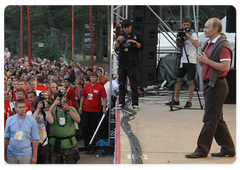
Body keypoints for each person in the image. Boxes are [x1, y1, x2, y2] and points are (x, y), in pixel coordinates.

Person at [185, 18, 235, 158]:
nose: (204, 30)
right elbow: (206, 65)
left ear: (216, 29)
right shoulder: (208, 43)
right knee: (216, 119)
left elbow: (226, 67)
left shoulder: (223, 46)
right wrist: (203, 61)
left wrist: (206, 60)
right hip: (210, 84)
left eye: (207, 27)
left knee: (210, 118)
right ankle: (228, 148)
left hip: (217, 85)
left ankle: (202, 149)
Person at [166, 17, 199, 108]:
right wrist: (178, 41)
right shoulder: (181, 33)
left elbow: (196, 45)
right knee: (178, 79)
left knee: (190, 81)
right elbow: (179, 46)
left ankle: (190, 100)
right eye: (184, 25)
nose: (186, 27)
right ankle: (176, 99)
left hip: (191, 60)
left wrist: (188, 36)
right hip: (182, 59)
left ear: (190, 25)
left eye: (187, 25)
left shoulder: (193, 34)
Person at [115, 19, 143, 111]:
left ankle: (135, 103)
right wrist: (118, 41)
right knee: (122, 84)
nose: (126, 29)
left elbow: (141, 46)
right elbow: (117, 48)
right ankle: (121, 102)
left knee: (133, 84)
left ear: (130, 26)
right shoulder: (121, 36)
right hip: (123, 63)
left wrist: (133, 42)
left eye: (127, 27)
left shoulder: (136, 35)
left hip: (132, 63)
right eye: (124, 28)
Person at [2, 99, 39, 165]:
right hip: (11, 155)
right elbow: (6, 138)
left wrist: (35, 156)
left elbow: (35, 140)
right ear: (15, 108)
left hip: (26, 155)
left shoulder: (32, 120)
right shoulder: (9, 120)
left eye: (24, 107)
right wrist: (4, 154)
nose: (22, 109)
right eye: (20, 107)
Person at [48, 92, 80, 164]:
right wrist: (53, 105)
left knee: (72, 163)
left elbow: (78, 120)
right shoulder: (52, 110)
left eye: (62, 99)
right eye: (58, 100)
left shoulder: (71, 109)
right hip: (55, 143)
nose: (61, 101)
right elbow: (49, 119)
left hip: (70, 143)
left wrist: (68, 109)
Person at [79, 72, 107, 150]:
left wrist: (104, 108)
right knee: (84, 127)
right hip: (86, 110)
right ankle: (86, 145)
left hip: (95, 111)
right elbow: (83, 97)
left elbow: (104, 98)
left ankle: (92, 147)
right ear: (90, 78)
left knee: (93, 129)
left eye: (94, 77)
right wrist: (81, 106)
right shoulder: (86, 86)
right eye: (91, 77)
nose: (93, 79)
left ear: (97, 78)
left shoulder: (100, 87)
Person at [26, 96, 54, 164]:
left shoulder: (45, 113)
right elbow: (30, 122)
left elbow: (51, 121)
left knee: (44, 162)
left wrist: (47, 109)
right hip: (33, 142)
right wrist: (38, 109)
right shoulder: (30, 112)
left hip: (44, 141)